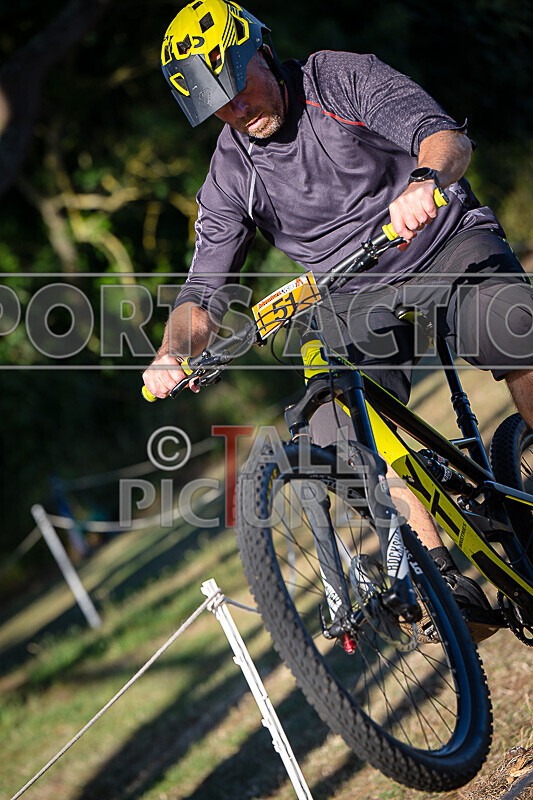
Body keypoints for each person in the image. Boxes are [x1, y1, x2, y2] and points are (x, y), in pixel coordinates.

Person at [143, 0, 533, 638]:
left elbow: (444, 137)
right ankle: (442, 584)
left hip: (438, 239)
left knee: (512, 329)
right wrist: (173, 352)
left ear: (260, 54)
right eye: (220, 106)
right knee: (334, 440)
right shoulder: (230, 170)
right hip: (349, 297)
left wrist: (424, 183)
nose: (238, 111)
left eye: (239, 89)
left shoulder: (338, 79)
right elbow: (201, 291)